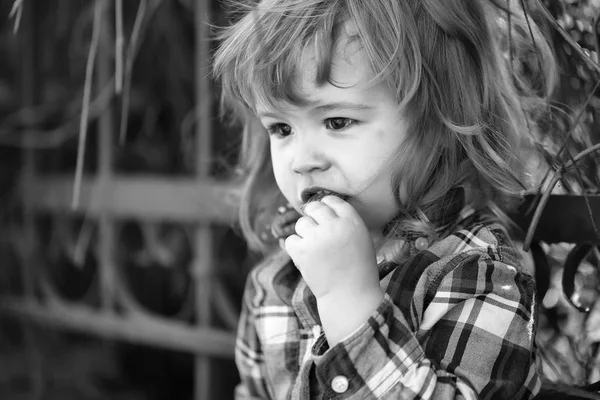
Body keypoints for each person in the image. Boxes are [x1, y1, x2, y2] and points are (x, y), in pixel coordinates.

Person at [213, 0, 557, 398]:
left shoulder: (476, 274)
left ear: (439, 123)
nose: (302, 161)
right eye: (281, 128)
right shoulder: (274, 281)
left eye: (337, 122)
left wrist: (350, 303)